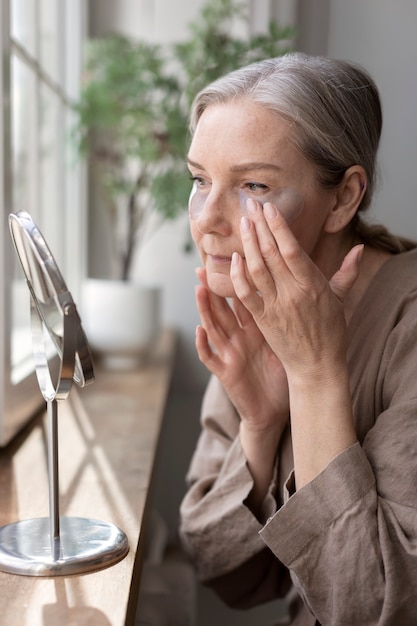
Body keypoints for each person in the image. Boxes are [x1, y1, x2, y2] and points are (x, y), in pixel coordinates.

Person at [178, 52, 417, 625]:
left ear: (342, 199)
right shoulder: (254, 305)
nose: (208, 219)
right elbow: (220, 569)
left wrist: (313, 376)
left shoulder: (406, 323)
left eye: (253, 184)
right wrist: (259, 429)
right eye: (200, 180)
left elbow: (374, 608)